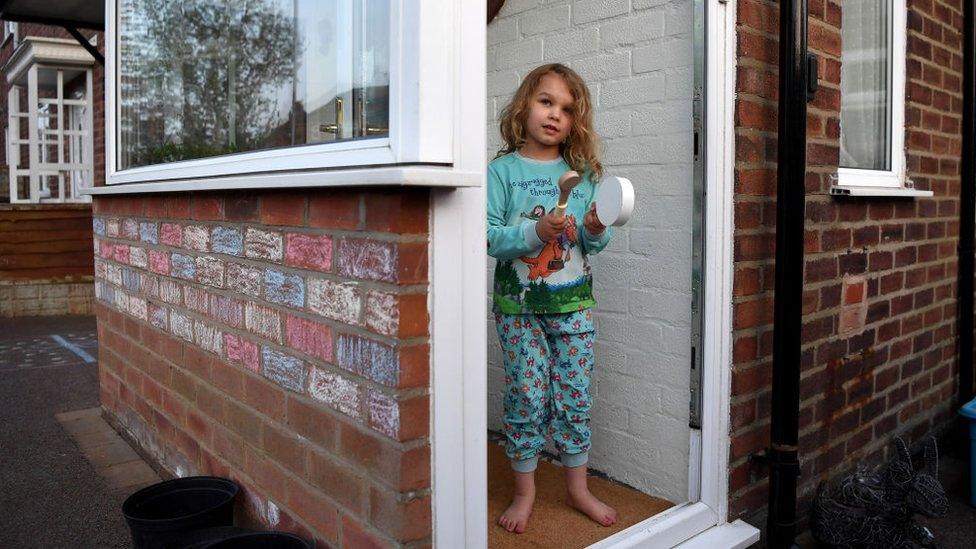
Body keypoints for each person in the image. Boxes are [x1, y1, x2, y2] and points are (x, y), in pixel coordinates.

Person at [487, 63, 618, 534]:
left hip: (574, 308)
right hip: (519, 310)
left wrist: (596, 228)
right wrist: (534, 231)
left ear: (575, 121)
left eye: (566, 109)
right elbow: (487, 236)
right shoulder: (502, 172)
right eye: (546, 101)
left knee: (575, 397)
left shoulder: (579, 175)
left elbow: (589, 244)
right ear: (524, 106)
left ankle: (577, 488)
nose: (555, 114)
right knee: (526, 395)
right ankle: (525, 492)